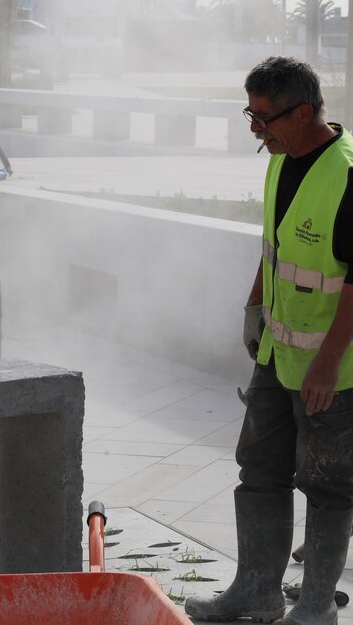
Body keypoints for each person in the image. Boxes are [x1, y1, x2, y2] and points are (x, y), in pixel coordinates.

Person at [185, 55, 353, 625]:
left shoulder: (347, 173)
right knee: (258, 470)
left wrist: (327, 364)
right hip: (277, 356)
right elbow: (275, 244)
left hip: (335, 369)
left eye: (264, 117)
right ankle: (255, 591)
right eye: (249, 114)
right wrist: (255, 304)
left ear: (304, 111)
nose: (255, 129)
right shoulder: (281, 160)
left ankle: (314, 607)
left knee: (328, 484)